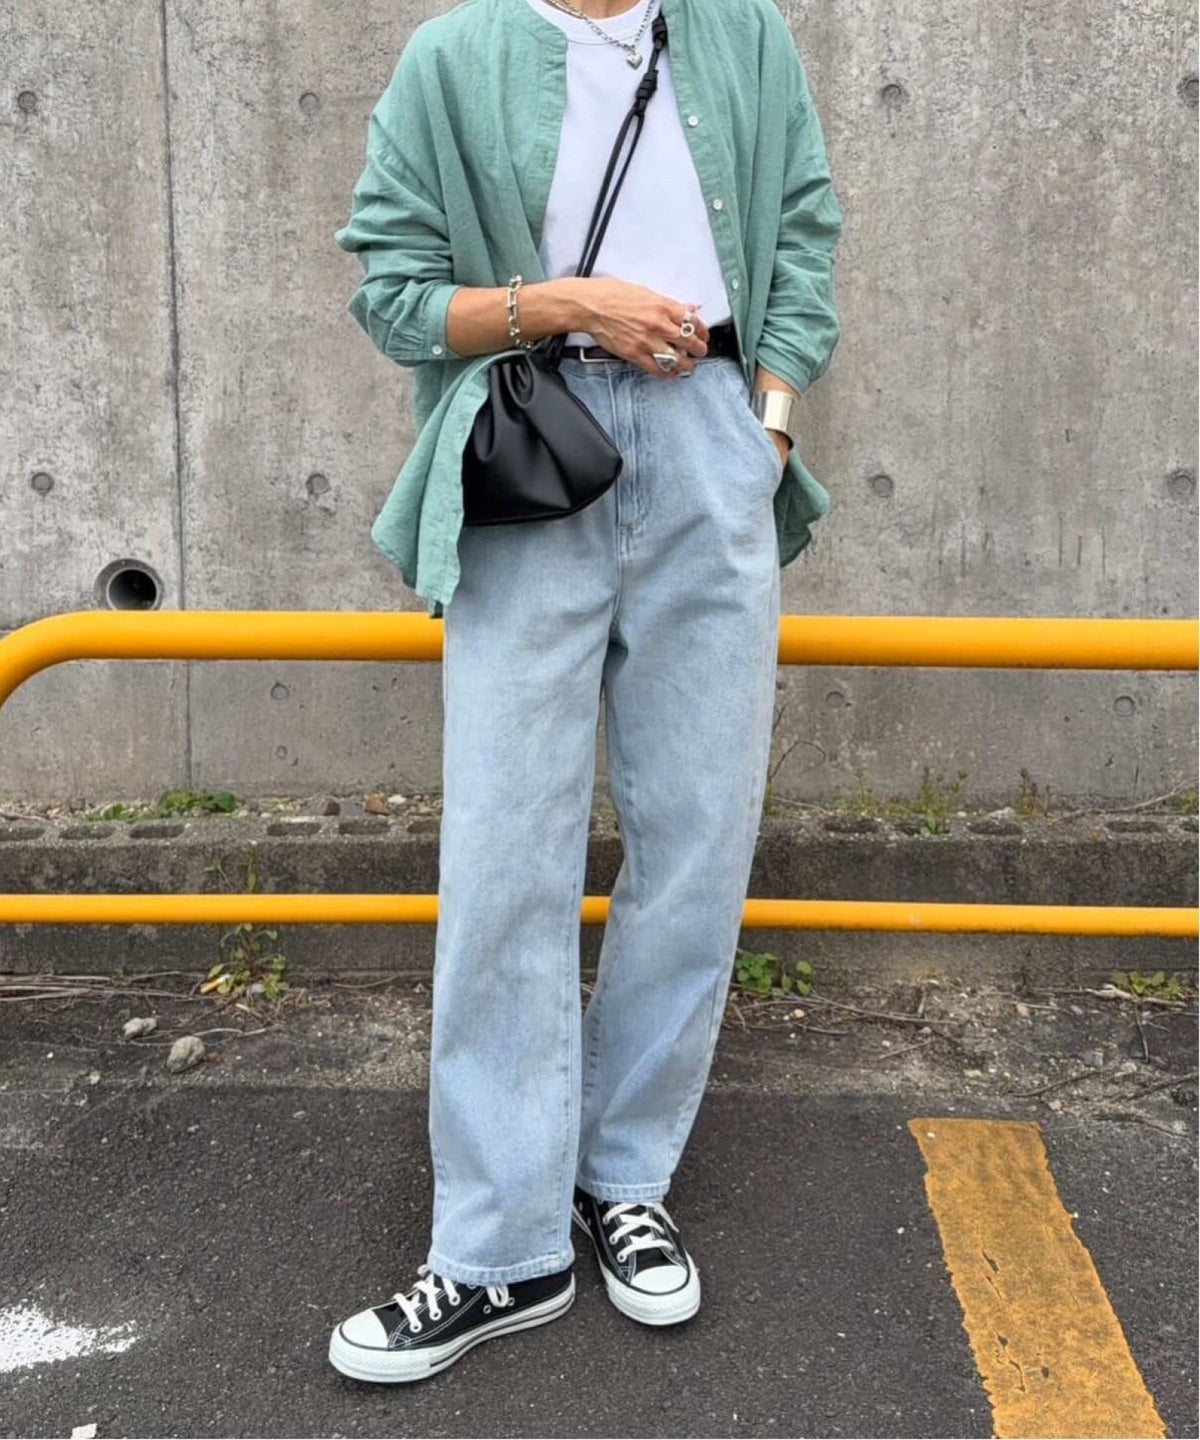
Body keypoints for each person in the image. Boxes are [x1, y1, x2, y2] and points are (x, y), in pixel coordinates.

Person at [328, 0, 842, 1384]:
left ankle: (624, 1178)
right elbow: (394, 295)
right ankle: (499, 1245)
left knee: (697, 838)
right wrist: (565, 304)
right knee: (507, 850)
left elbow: (802, 230)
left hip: (712, 449)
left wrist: (765, 423)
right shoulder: (455, 56)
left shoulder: (742, 34)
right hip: (530, 446)